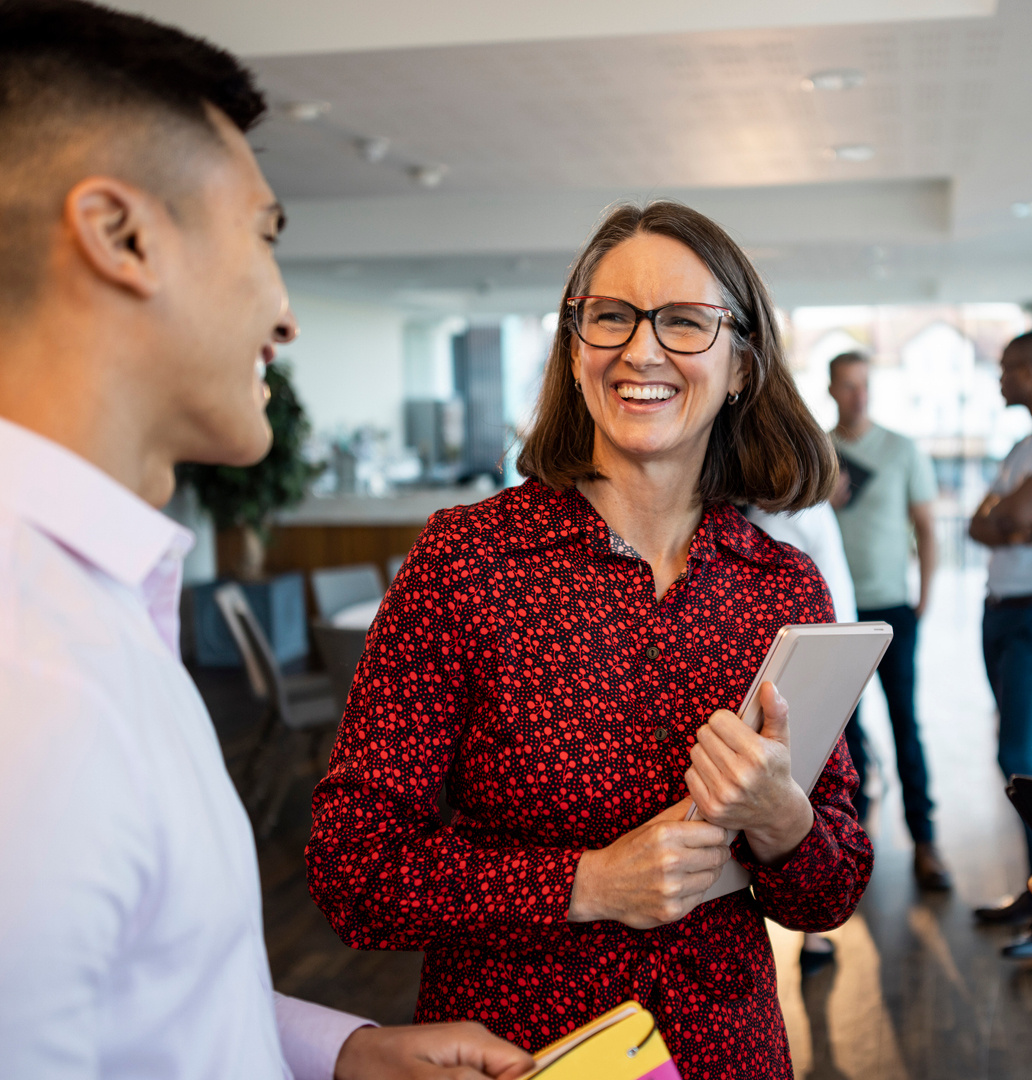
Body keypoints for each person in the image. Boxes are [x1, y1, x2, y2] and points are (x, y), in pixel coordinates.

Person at [0, 3, 536, 1079]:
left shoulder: (84, 602)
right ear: (122, 236)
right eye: (265, 235)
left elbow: (152, 994)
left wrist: (345, 1050)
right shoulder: (4, 674)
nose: (286, 311)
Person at [306, 201, 873, 1080]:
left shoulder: (783, 586)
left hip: (729, 1052)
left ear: (740, 368)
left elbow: (833, 889)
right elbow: (354, 869)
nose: (641, 351)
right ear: (576, 352)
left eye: (686, 323)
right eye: (610, 317)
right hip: (520, 1055)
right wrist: (587, 884)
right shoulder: (467, 562)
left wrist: (782, 820)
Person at [827, 352, 951, 891]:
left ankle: (925, 842)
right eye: (849, 387)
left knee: (906, 723)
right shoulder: (817, 453)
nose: (859, 396)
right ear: (832, 390)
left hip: (892, 607)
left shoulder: (901, 450)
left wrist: (924, 596)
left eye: (865, 386)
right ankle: (853, 844)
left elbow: (925, 525)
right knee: (843, 734)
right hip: (833, 614)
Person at [744, 501, 858, 976]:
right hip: (784, 666)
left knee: (810, 787)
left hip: (817, 662)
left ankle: (813, 942)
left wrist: (841, 678)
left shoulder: (798, 527)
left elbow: (836, 596)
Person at [968, 332, 1032, 959]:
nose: (1001, 376)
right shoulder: (1019, 448)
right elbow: (982, 523)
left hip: (1029, 616)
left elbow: (1015, 520)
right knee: (1017, 758)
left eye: (1012, 366)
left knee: (1021, 756)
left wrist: (1000, 517)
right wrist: (999, 517)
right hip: (1002, 612)